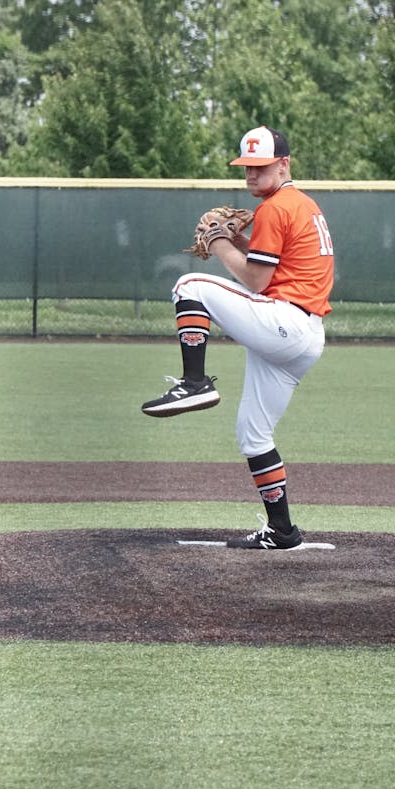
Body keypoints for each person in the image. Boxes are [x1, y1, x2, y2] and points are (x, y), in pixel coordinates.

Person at [141, 125, 335, 550]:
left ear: (283, 164)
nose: (251, 175)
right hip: (301, 336)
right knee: (253, 434)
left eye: (260, 166)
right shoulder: (299, 204)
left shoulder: (276, 207)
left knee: (189, 284)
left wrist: (219, 243)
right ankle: (282, 531)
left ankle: (194, 383)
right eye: (246, 167)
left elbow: (257, 280)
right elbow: (273, 265)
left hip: (286, 321)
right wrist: (236, 239)